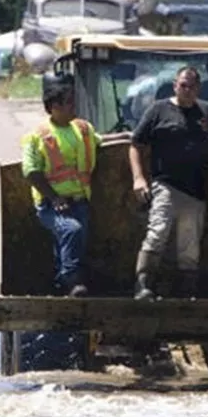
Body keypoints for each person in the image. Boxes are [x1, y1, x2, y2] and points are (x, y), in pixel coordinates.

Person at [130, 66, 208, 300]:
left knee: (189, 243)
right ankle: (142, 283)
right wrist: (138, 177)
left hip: (196, 189)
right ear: (175, 85)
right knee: (158, 231)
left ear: (198, 88)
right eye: (183, 85)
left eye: (192, 86)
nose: (187, 90)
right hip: (166, 184)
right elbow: (136, 144)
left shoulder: (206, 111)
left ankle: (187, 290)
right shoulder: (158, 110)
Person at [21, 72, 128, 297]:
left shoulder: (82, 128)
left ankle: (62, 286)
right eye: (68, 103)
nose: (74, 107)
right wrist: (53, 197)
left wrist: (128, 136)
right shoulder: (37, 136)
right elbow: (30, 171)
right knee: (71, 230)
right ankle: (71, 280)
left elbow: (100, 140)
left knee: (70, 242)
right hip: (52, 205)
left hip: (80, 201)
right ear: (54, 106)